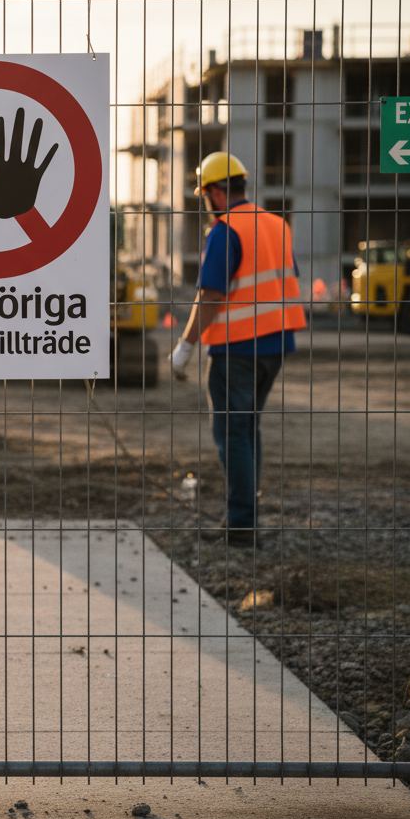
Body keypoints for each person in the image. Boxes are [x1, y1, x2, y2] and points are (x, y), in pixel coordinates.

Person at [169, 152, 306, 547]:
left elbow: (212, 293)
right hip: (277, 343)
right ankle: (244, 517)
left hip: (238, 348)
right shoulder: (276, 224)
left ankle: (242, 525)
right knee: (247, 429)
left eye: (206, 195)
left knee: (232, 433)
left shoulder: (226, 230)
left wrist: (185, 347)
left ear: (214, 192)